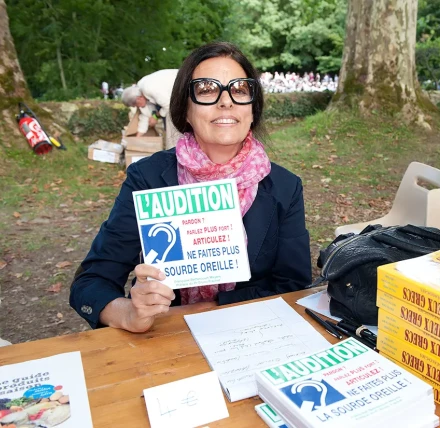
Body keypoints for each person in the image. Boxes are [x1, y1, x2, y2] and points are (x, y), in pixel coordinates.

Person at [70, 42, 312, 333]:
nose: (226, 102)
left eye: (239, 89)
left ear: (252, 109)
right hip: (162, 341)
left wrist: (202, 310)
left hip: (254, 336)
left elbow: (292, 286)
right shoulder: (147, 178)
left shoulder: (285, 188)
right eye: (207, 90)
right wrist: (129, 314)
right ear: (184, 110)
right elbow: (91, 282)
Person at [121, 69, 180, 149]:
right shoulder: (141, 93)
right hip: (170, 99)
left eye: (135, 105)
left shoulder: (150, 89)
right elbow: (145, 115)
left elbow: (168, 105)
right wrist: (136, 139)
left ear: (139, 99)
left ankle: (177, 151)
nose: (137, 107)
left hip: (181, 87)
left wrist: (155, 116)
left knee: (172, 127)